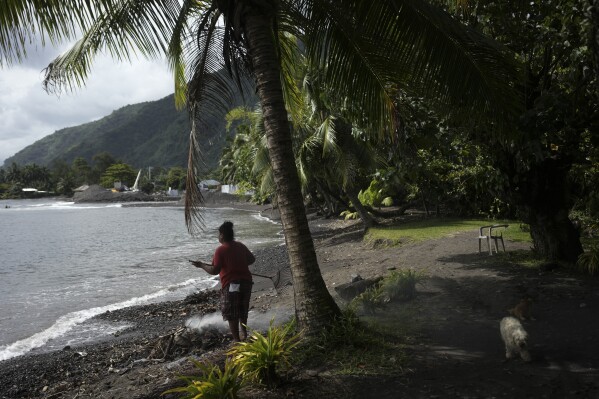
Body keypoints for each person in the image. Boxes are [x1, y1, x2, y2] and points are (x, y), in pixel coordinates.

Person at [191, 221, 255, 342]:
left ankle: (237, 340)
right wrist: (238, 263)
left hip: (232, 284)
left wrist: (201, 266)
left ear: (222, 235)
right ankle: (244, 334)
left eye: (218, 234)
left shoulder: (220, 250)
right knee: (242, 309)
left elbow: (215, 270)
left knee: (232, 313)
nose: (218, 237)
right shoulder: (240, 245)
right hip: (246, 282)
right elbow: (251, 259)